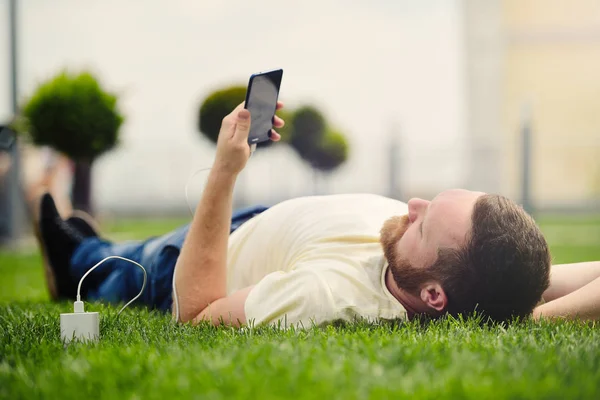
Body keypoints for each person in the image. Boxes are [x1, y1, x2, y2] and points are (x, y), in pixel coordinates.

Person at [34, 103, 600, 327]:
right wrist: (528, 315)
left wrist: (225, 174)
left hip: (200, 255)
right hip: (275, 225)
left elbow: (197, 314)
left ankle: (73, 256)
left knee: (113, 263)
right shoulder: (487, 277)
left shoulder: (326, 296)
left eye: (425, 225)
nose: (414, 205)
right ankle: (83, 242)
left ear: (433, 296)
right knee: (110, 246)